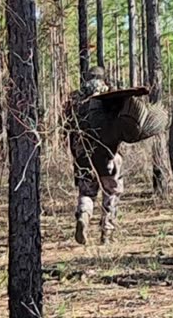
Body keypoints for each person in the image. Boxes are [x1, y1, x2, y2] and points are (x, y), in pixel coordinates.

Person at [64, 66, 164, 245]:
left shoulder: (76, 103)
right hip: (108, 156)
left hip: (83, 157)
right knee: (112, 192)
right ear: (102, 79)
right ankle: (107, 233)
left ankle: (83, 217)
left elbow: (67, 132)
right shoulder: (109, 99)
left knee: (87, 193)